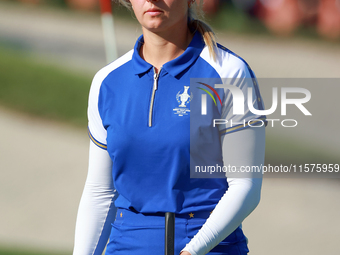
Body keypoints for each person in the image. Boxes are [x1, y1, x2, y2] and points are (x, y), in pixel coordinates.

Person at [72, 0, 266, 254]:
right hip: (126, 245)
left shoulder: (228, 72)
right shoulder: (106, 81)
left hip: (208, 246)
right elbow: (100, 192)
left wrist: (192, 250)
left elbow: (245, 186)